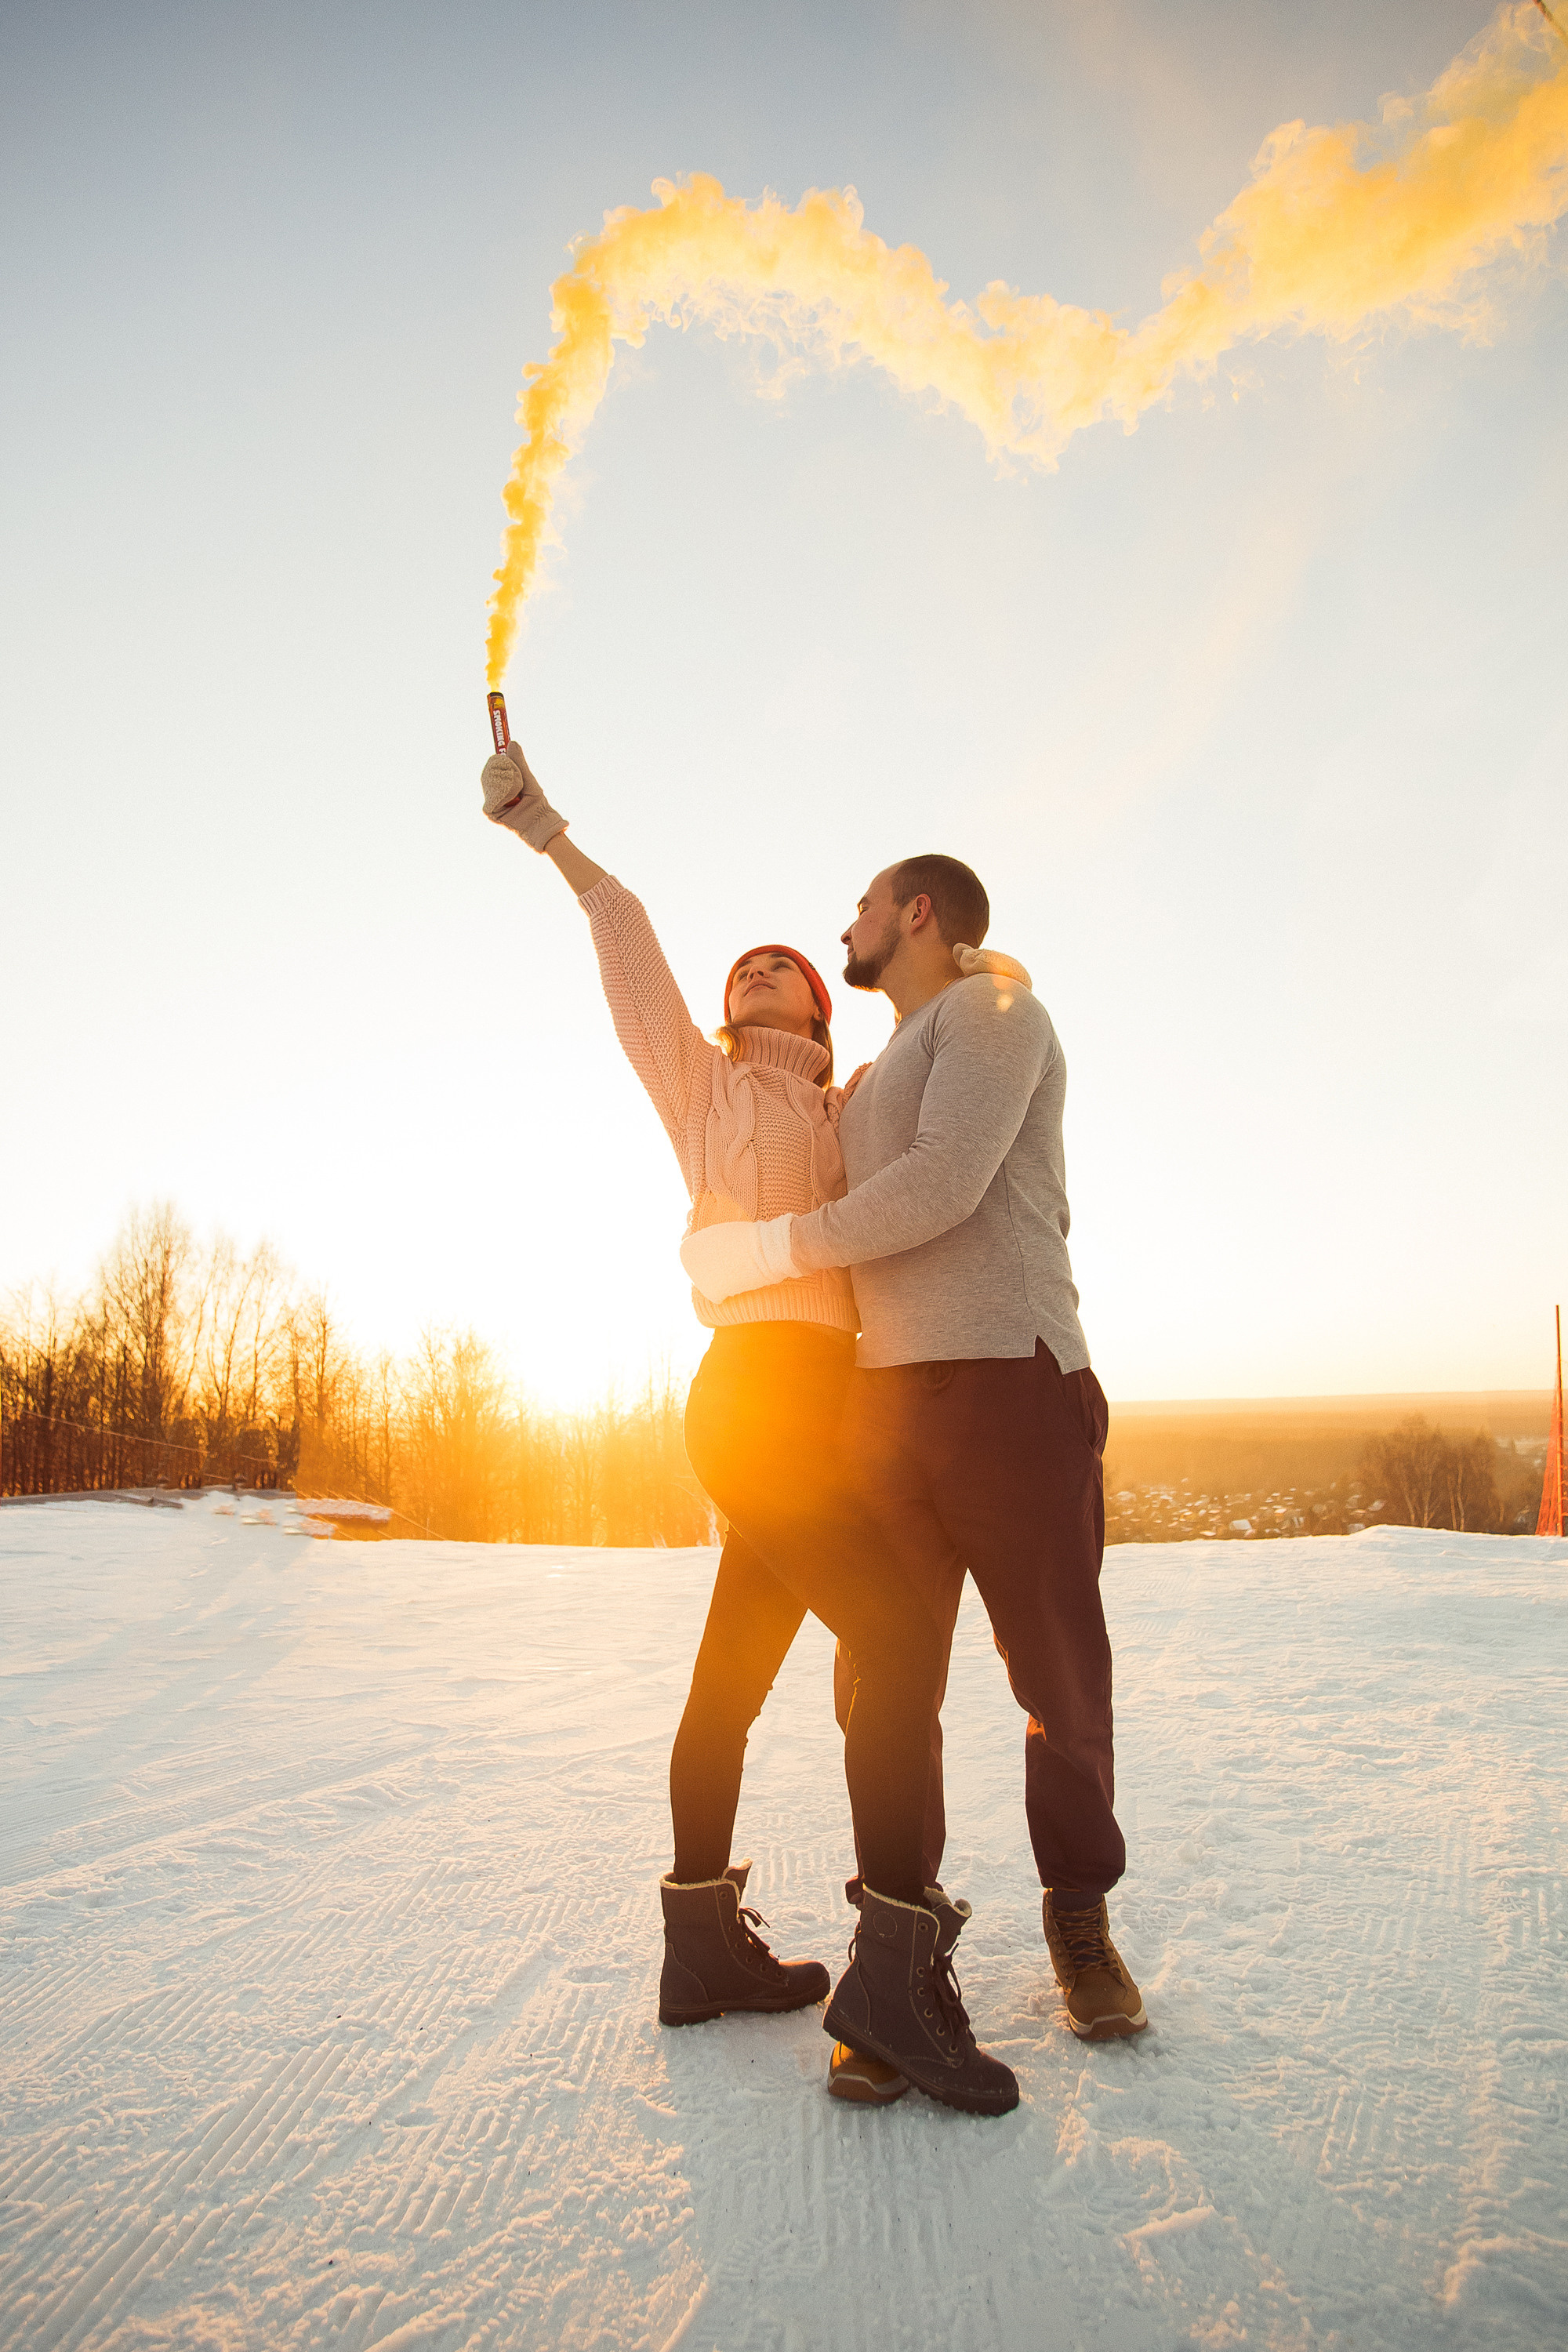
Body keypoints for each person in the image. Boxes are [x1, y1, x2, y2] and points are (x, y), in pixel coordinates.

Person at [480, 742, 1020, 2114]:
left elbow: (937, 1110)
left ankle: (701, 1952)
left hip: (829, 1419)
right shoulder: (705, 1088)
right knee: (897, 1645)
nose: (762, 968)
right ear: (719, 1021)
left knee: (730, 1684)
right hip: (752, 1401)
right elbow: (627, 936)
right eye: (745, 972)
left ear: (826, 1021)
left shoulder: (856, 1107)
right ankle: (893, 1981)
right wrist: (547, 829)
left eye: (785, 963)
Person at [681, 852, 1148, 2048]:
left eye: (864, 907)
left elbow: (944, 1184)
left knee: (1053, 1669)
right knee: (884, 1679)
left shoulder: (996, 1013)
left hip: (1010, 1379)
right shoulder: (874, 1071)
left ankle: (1079, 1912)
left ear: (919, 915)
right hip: (882, 1408)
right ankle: (895, 1945)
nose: (848, 922)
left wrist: (771, 1250)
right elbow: (775, 1130)